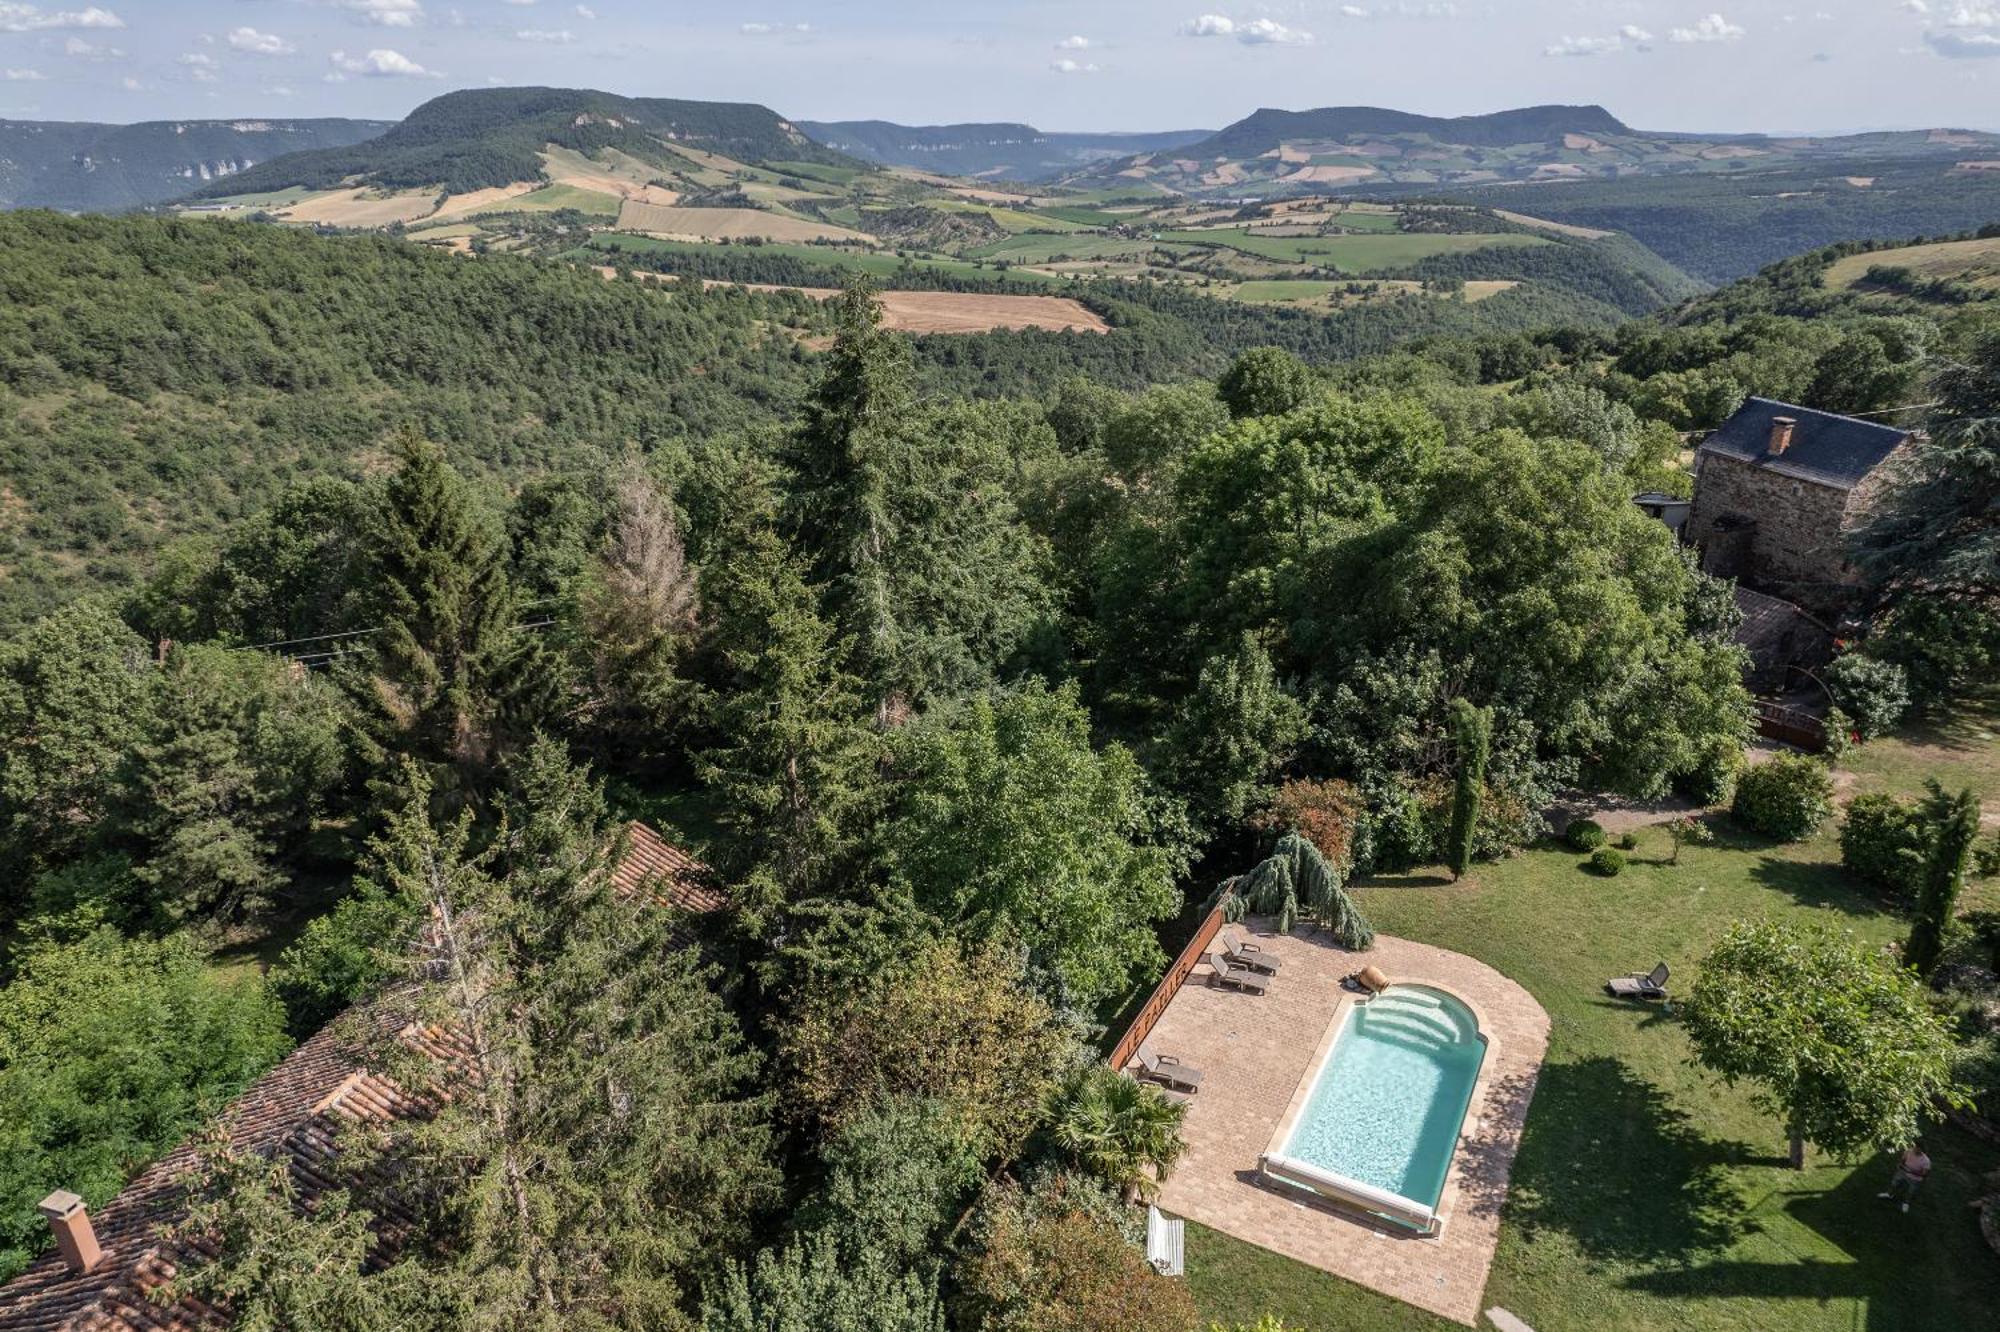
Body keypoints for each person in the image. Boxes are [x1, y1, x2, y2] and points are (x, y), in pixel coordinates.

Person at [1877, 1142, 1931, 1213]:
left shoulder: (1926, 1161)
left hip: (1915, 1178)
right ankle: (1889, 1194)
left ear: (1922, 1151)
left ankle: (1906, 1203)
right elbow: (1903, 1159)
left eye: (1918, 1149)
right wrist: (1900, 1164)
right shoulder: (1909, 1151)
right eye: (1915, 1147)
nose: (1915, 1149)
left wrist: (1910, 1171)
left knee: (1910, 1191)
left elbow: (1924, 1174)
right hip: (1903, 1172)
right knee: (1894, 1183)